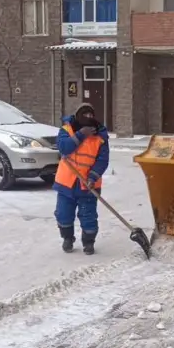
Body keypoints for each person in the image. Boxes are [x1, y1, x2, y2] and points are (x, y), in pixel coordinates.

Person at [54, 103, 110, 255]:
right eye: (84, 115)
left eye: (91, 116)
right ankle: (67, 238)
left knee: (88, 217)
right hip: (66, 183)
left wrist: (93, 176)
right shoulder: (67, 129)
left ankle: (88, 242)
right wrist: (81, 134)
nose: (88, 118)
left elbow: (103, 160)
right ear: (77, 116)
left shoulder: (100, 135)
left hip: (88, 185)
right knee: (63, 214)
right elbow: (64, 148)